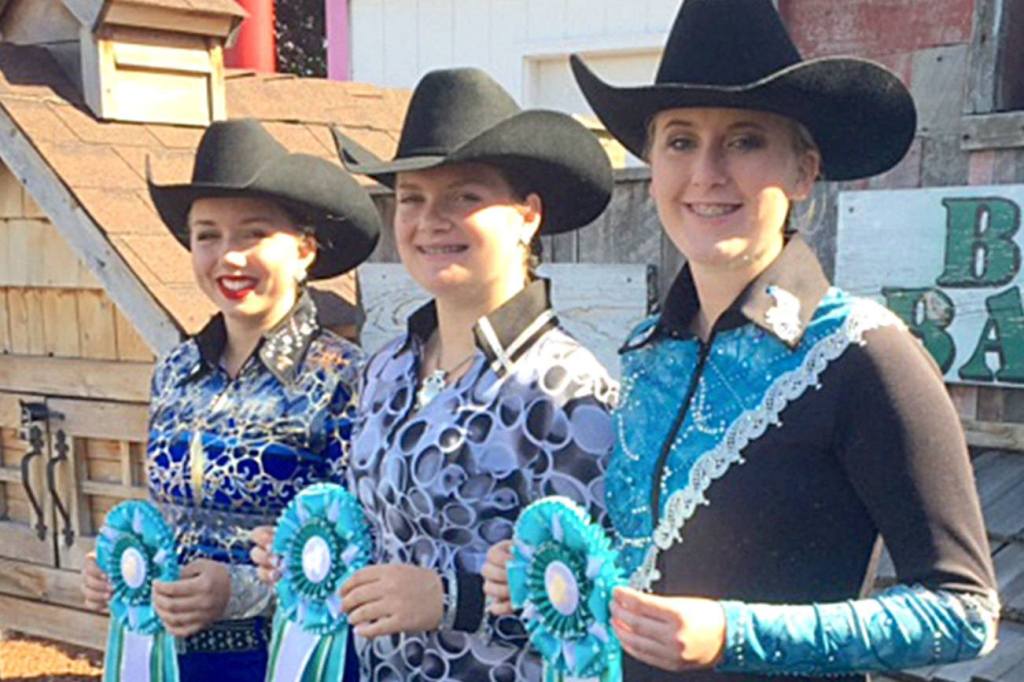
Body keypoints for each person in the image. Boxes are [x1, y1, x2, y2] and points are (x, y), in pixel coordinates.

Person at [484, 0, 999, 679]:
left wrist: (737, 632)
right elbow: (647, 557)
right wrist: (552, 572)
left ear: (804, 172)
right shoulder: (648, 349)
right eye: (680, 141)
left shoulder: (865, 355)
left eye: (745, 140)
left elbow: (963, 611)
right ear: (652, 164)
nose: (707, 172)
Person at [253, 66, 618, 680]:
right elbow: (382, 539)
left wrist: (454, 599)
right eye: (412, 198)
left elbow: (601, 596)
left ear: (527, 216)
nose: (430, 219)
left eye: (464, 197)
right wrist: (309, 557)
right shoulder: (386, 370)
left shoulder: (567, 391)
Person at [80, 118, 380, 681]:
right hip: (172, 658)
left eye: (253, 234)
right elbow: (165, 514)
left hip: (295, 660)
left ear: (304, 250)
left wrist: (240, 590)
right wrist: (121, 569)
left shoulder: (349, 379)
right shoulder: (175, 371)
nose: (229, 257)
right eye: (208, 235)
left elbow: (367, 545)